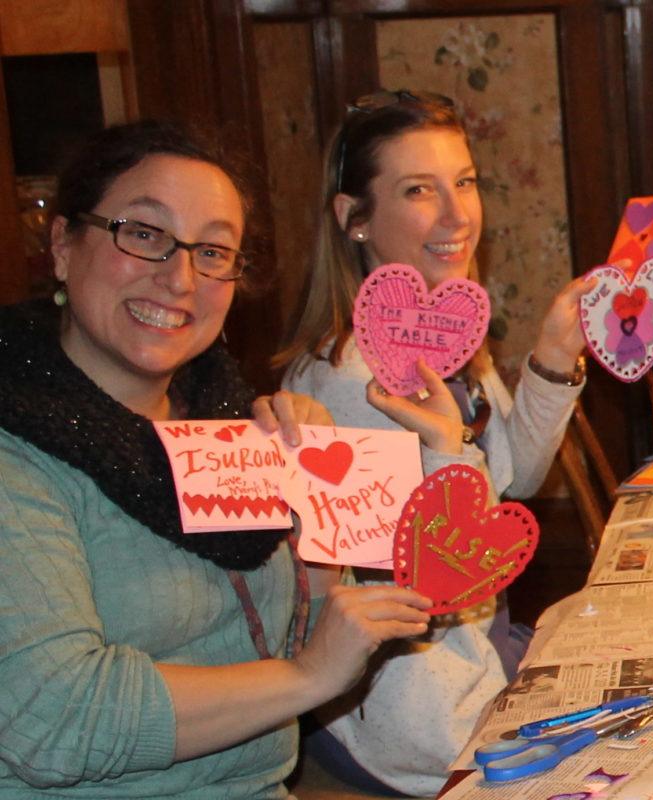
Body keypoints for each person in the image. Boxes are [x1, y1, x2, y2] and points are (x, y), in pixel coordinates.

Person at [0, 120, 436, 798]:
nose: (179, 278)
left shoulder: (223, 425)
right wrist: (307, 678)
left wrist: (317, 535)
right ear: (62, 245)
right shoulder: (16, 451)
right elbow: (53, 716)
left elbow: (283, 647)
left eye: (212, 251)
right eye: (143, 234)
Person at [277, 90, 594, 796]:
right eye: (419, 190)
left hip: (472, 660)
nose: (458, 215)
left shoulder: (441, 329)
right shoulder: (352, 380)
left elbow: (513, 479)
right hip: (414, 712)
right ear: (353, 219)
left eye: (466, 182)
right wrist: (453, 447)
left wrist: (549, 358)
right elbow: (445, 573)